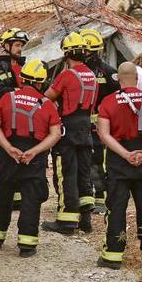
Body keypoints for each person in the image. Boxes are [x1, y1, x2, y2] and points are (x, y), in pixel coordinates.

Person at [0, 60, 61, 256]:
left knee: (2, 195)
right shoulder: (48, 105)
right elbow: (55, 135)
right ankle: (27, 245)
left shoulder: (7, 98)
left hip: (7, 154)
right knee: (31, 199)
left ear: (22, 79)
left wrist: (8, 147)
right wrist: (35, 151)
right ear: (41, 83)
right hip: (34, 157)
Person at [95, 62, 142, 269]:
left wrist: (125, 154)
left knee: (116, 208)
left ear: (118, 79)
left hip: (119, 161)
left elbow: (104, 134)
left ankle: (113, 256)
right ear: (137, 78)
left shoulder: (108, 102)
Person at [43, 32, 98, 235]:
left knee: (66, 173)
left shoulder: (66, 75)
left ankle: (66, 221)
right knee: (84, 172)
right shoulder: (91, 75)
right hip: (86, 128)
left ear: (67, 54)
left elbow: (48, 98)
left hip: (68, 128)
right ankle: (85, 220)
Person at [0, 27, 31, 213]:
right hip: (2, 125)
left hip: (22, 125)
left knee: (21, 163)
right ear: (6, 45)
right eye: (17, 45)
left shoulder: (24, 68)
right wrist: (20, 93)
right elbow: (0, 94)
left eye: (22, 45)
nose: (20, 49)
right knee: (2, 166)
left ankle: (18, 200)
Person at [80, 28, 120, 213]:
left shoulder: (105, 73)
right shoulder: (104, 72)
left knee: (96, 161)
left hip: (95, 125)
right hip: (88, 125)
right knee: (89, 161)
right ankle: (91, 197)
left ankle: (100, 198)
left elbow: (117, 98)